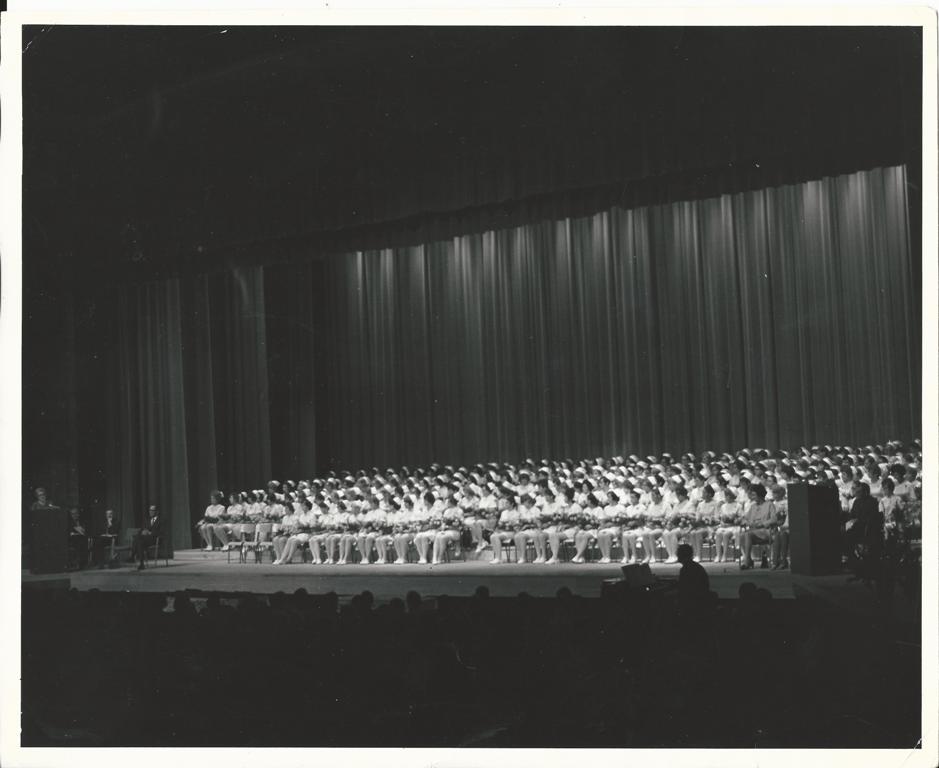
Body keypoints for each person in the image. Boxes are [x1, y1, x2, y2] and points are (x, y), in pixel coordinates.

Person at [739, 484, 775, 570]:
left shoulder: (769, 504)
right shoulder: (753, 506)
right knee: (742, 535)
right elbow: (745, 519)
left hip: (765, 531)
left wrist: (763, 524)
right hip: (753, 531)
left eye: (754, 495)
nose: (752, 497)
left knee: (747, 534)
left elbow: (774, 519)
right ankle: (748, 558)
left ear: (760, 494)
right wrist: (746, 522)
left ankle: (747, 561)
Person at [131, 505, 163, 570]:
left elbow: (161, 532)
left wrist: (150, 533)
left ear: (156, 512)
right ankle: (141, 564)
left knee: (138, 540)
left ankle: (132, 556)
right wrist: (143, 531)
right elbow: (141, 529)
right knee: (139, 541)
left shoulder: (161, 520)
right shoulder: (147, 520)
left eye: (152, 510)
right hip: (145, 539)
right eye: (150, 510)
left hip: (154, 539)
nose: (150, 512)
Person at [770, 485, 789, 570]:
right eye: (773, 493)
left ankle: (783, 561)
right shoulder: (772, 504)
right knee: (777, 536)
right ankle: (776, 562)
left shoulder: (786, 503)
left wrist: (784, 525)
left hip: (786, 527)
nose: (774, 495)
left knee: (782, 535)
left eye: (775, 493)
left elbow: (788, 516)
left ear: (781, 493)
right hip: (775, 527)